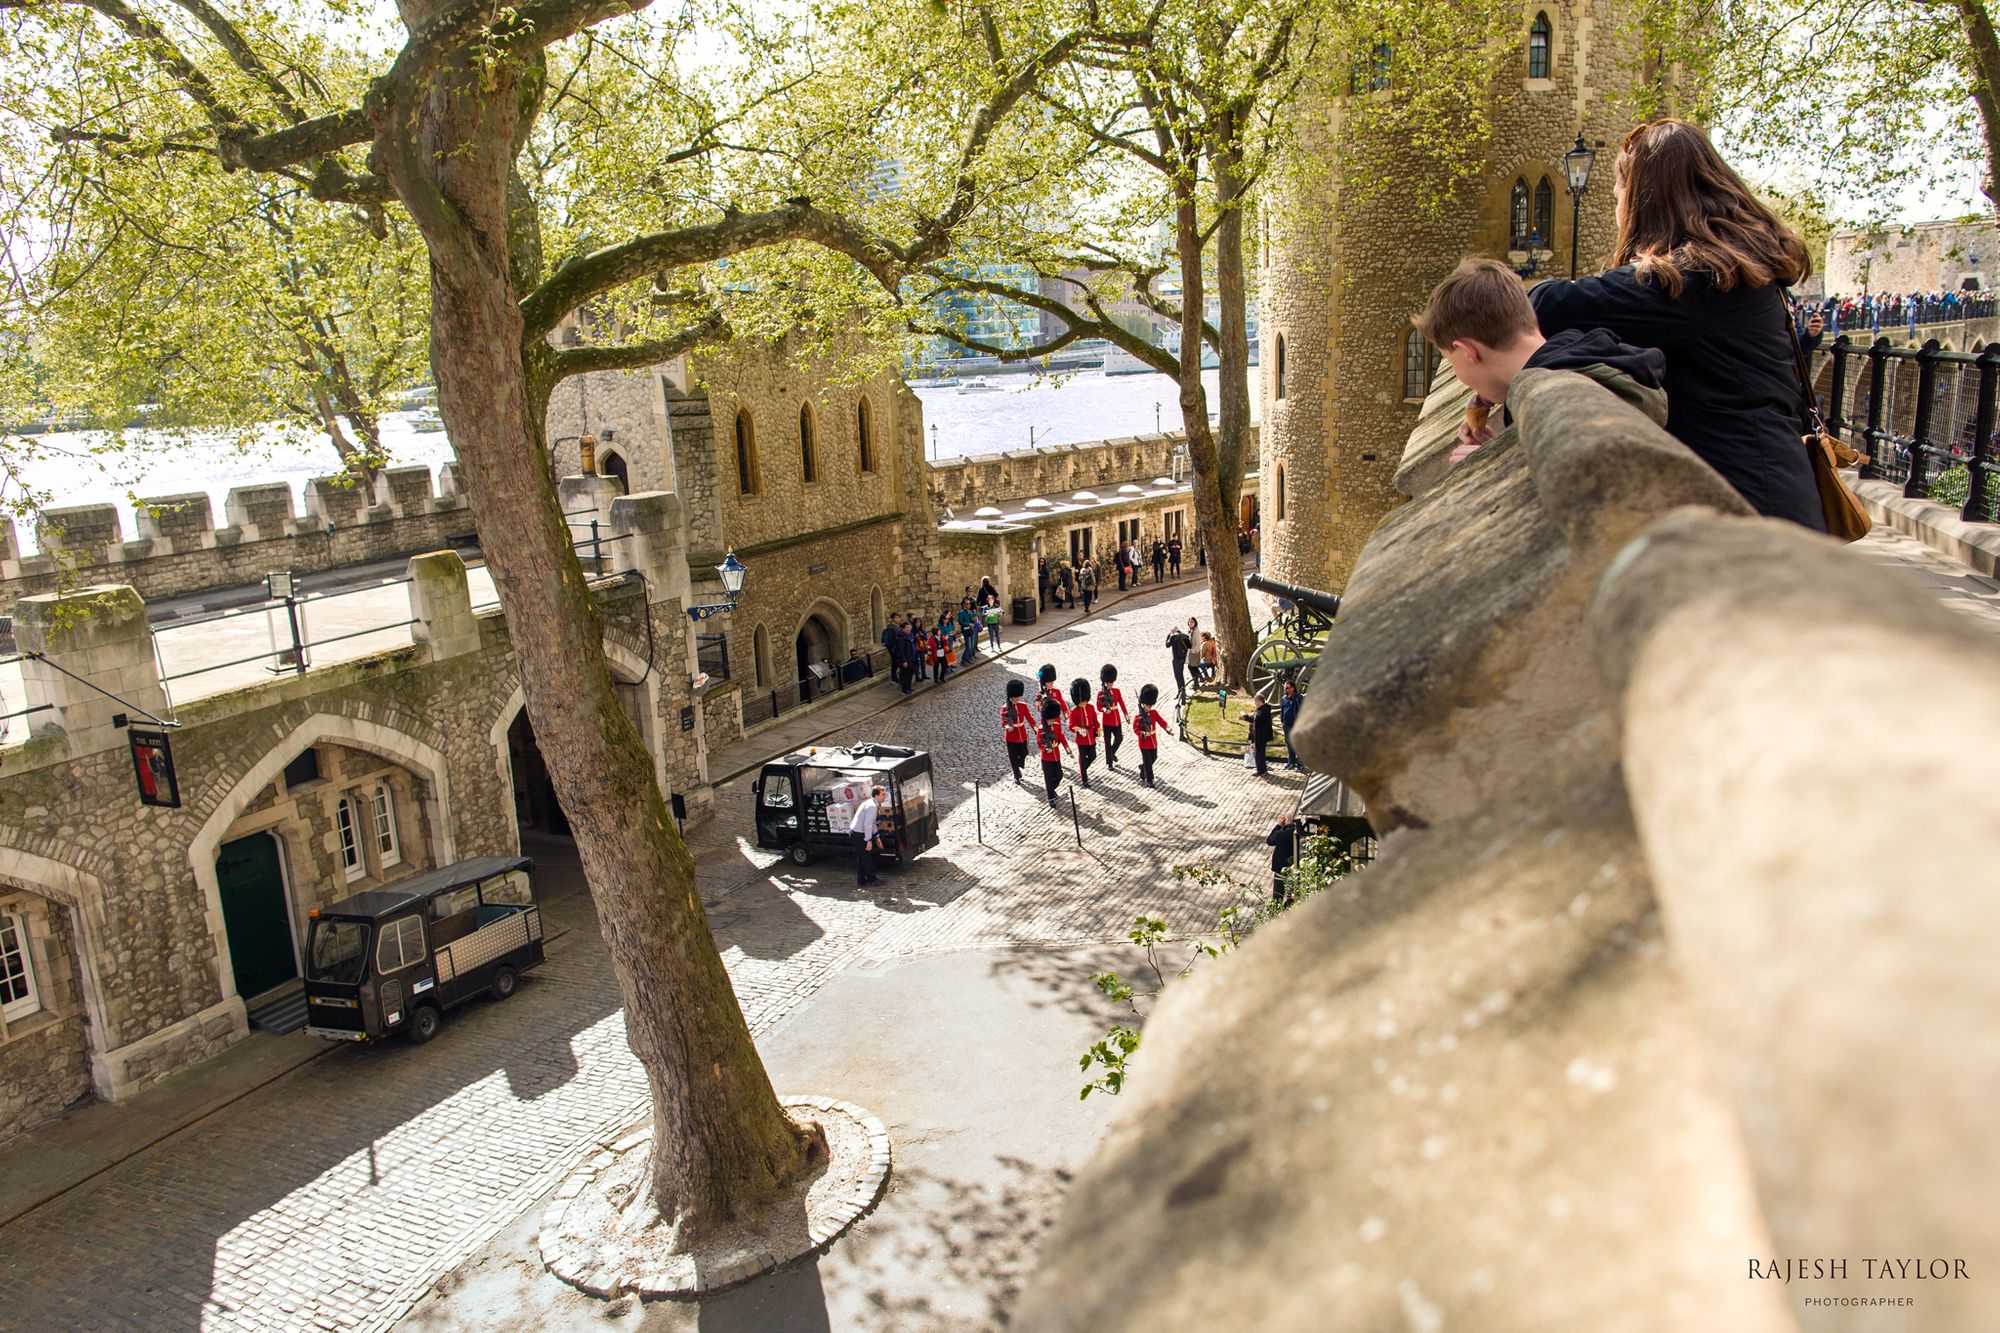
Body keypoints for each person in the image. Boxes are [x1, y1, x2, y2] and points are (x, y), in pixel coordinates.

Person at [1521, 118, 1825, 530]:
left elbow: (1547, 305)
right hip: (1773, 491)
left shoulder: (1691, 281)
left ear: (1642, 201)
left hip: (1747, 512)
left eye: (1618, 197)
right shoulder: (1733, 269)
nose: (1616, 211)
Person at [1417, 257, 1668, 467]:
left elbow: (1590, 473)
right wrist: (1504, 447)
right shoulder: (1583, 361)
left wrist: (1495, 465)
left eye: (1452, 361)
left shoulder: (1559, 393)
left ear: (1467, 351)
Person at [1035, 698, 1071, 806]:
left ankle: (1050, 790)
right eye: (1051, 719)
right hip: (1047, 758)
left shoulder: (1056, 726)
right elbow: (1039, 743)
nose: (1053, 720)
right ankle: (1051, 798)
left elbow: (1062, 737)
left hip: (1056, 757)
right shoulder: (1041, 729)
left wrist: (1068, 750)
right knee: (1049, 778)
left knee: (1059, 775)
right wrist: (1046, 749)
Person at [1133, 683, 1168, 788]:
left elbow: (1161, 721)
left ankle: (1142, 768)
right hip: (1144, 743)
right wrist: (1143, 734)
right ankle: (1150, 780)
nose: (1149, 707)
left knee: (1154, 758)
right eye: (1148, 705)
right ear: (1143, 704)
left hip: (1153, 742)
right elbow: (1136, 729)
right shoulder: (1138, 717)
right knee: (1148, 762)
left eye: (1150, 705)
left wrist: (1167, 728)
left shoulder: (1153, 713)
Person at [1067, 678, 1100, 788]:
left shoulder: (1090, 707)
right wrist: (1080, 730)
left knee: (1093, 756)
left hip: (1091, 736)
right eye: (1082, 700)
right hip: (1081, 739)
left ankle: (1083, 770)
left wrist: (1098, 729)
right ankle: (1084, 778)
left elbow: (1095, 720)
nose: (1084, 702)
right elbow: (1071, 726)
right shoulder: (1074, 711)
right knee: (1082, 757)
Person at [850, 785, 885, 887]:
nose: (884, 797)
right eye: (883, 795)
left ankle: (861, 879)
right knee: (866, 857)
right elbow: (868, 824)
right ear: (877, 795)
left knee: (862, 857)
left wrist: (877, 836)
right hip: (859, 834)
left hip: (857, 833)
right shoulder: (872, 806)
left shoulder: (869, 803)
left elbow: (872, 823)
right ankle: (872, 879)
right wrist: (868, 840)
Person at [1001, 679, 1033, 782]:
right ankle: (1016, 775)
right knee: (1013, 757)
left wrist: (1035, 728)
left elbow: (1029, 718)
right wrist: (1007, 727)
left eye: (1018, 697)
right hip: (1011, 736)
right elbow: (1004, 721)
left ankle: (1018, 766)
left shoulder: (1023, 706)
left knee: (1024, 753)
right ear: (1010, 696)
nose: (1016, 699)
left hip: (1022, 733)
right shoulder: (1005, 708)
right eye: (1015, 697)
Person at [1097, 664, 1128, 770]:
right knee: (1107, 741)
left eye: (1112, 683)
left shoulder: (1116, 691)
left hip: (1116, 719)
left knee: (1119, 738)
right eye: (1109, 683)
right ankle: (1109, 764)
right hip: (1106, 721)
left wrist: (1126, 714)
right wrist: (1104, 709)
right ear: (1105, 682)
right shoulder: (1101, 693)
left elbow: (1121, 703)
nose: (1111, 685)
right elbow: (1098, 706)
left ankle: (1111, 753)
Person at [1266, 813, 1299, 905]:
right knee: (1291, 897)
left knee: (1277, 897)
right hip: (1294, 869)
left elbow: (1270, 840)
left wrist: (1278, 825)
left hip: (1281, 869)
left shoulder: (1282, 834)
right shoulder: (1299, 833)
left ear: (1287, 820)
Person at [1241, 697, 1274, 776]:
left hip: (1261, 735)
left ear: (1260, 702)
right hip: (1259, 735)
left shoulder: (1263, 710)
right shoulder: (1260, 709)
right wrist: (1246, 716)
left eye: (1256, 702)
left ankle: (1261, 771)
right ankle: (1260, 768)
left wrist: (1245, 716)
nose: (1255, 703)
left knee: (1259, 753)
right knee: (1259, 753)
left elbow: (1256, 720)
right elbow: (1254, 717)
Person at [1279, 677, 1304, 771]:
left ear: (1293, 688)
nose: (1285, 690)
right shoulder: (1284, 698)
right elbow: (1282, 709)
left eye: (1287, 688)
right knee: (1289, 744)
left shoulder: (1298, 698)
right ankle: (1291, 762)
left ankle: (1300, 764)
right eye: (1285, 688)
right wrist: (1281, 717)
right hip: (1286, 725)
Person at [1165, 622, 1192, 699]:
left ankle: (1180, 691)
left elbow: (1167, 645)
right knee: (1181, 674)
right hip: (1183, 657)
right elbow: (1190, 646)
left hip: (1176, 658)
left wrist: (1169, 635)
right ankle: (1182, 691)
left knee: (1178, 675)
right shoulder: (1185, 636)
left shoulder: (1173, 637)